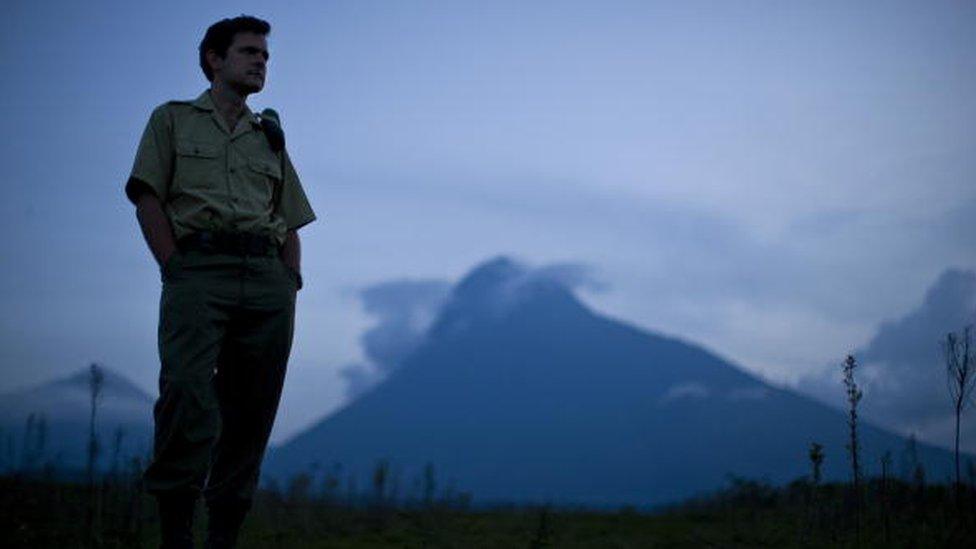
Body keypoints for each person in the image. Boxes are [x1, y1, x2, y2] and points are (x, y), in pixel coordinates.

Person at [124, 15, 316, 548]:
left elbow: (291, 218)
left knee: (252, 408)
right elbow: (147, 197)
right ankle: (176, 532)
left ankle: (224, 533)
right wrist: (174, 266)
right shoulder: (172, 119)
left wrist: (290, 278)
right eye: (250, 52)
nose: (261, 61)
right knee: (185, 391)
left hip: (266, 278)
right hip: (197, 271)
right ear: (214, 58)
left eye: (266, 56)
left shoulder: (269, 138)